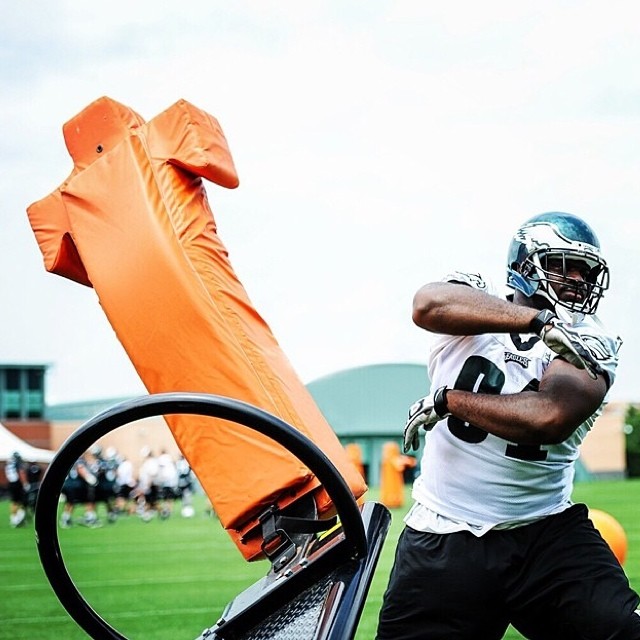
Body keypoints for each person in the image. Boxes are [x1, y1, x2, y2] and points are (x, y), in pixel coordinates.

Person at [376, 212, 640, 639]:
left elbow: (547, 418)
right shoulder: (477, 299)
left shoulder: (593, 337)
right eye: (563, 265)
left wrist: (448, 401)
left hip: (545, 536)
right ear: (524, 265)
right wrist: (538, 323)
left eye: (585, 270)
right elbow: (427, 305)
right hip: (444, 534)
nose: (577, 278)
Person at [5, 451, 27, 527]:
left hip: (11, 483)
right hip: (17, 483)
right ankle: (18, 518)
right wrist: (25, 483)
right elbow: (21, 472)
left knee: (14, 502)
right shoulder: (17, 463)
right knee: (21, 501)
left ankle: (14, 518)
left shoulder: (9, 464)